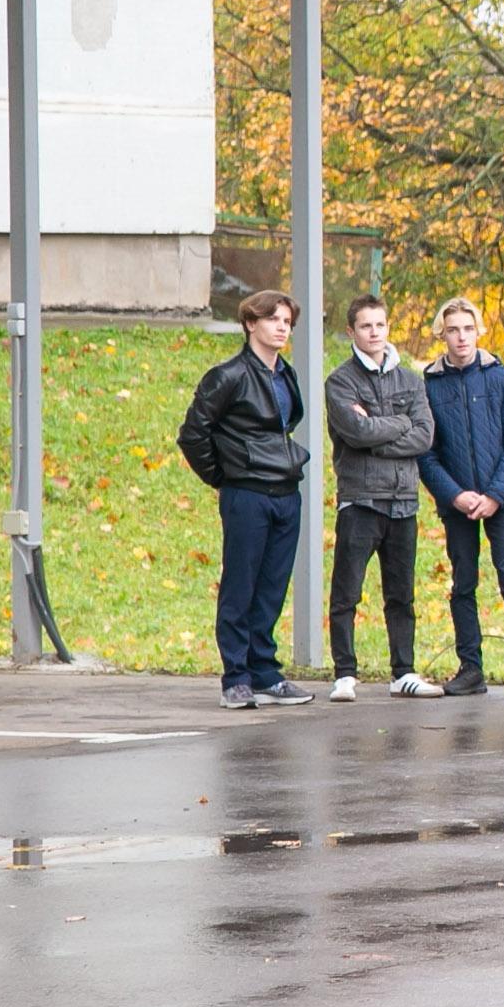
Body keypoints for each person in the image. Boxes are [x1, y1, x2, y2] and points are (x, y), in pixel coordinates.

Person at [176, 289, 315, 710]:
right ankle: (235, 676)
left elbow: (285, 426)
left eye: (287, 322)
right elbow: (193, 434)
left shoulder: (285, 374)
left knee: (272, 587)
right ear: (251, 323)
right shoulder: (228, 375)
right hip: (247, 494)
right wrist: (222, 476)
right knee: (241, 584)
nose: (281, 327)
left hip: (286, 492)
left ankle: (265, 673)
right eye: (273, 319)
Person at [418, 297, 504, 699]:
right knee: (463, 584)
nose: (461, 337)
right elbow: (426, 452)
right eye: (453, 330)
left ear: (479, 331)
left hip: (501, 501)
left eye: (467, 329)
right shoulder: (430, 385)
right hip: (458, 504)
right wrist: (455, 496)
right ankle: (471, 670)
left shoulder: (503, 379)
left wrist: (494, 495)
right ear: (443, 334)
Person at [324, 294, 442, 702]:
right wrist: (398, 424)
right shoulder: (340, 382)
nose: (374, 332)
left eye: (380, 325)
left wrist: (377, 429)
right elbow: (355, 434)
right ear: (352, 331)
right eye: (366, 326)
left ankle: (403, 672)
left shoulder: (411, 380)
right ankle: (344, 674)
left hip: (404, 501)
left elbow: (424, 436)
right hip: (360, 500)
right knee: (347, 592)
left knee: (401, 594)